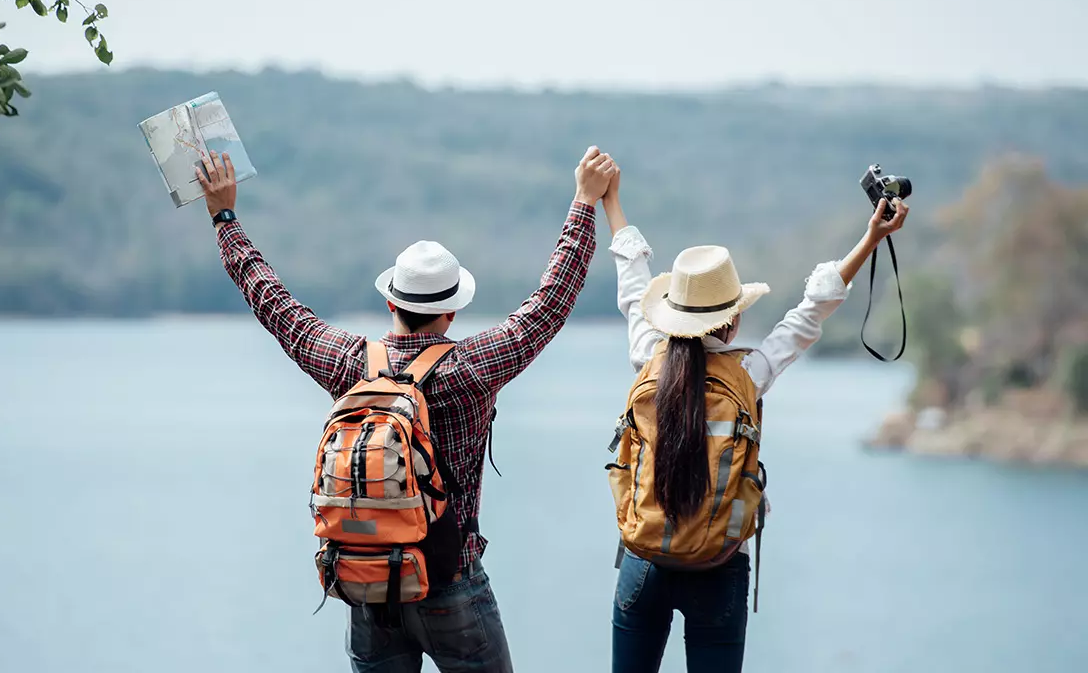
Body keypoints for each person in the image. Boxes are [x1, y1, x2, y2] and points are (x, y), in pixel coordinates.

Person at [193, 145, 617, 673]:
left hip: (369, 586)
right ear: (452, 311)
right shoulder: (470, 370)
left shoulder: (351, 365)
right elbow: (549, 303)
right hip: (450, 583)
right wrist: (583, 202)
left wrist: (224, 216)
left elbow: (275, 304)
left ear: (391, 302)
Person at [600, 166, 909, 673]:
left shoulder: (648, 357)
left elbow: (632, 284)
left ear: (672, 312)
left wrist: (611, 203)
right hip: (719, 566)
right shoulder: (749, 372)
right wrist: (873, 236)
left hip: (644, 560)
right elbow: (811, 313)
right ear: (734, 317)